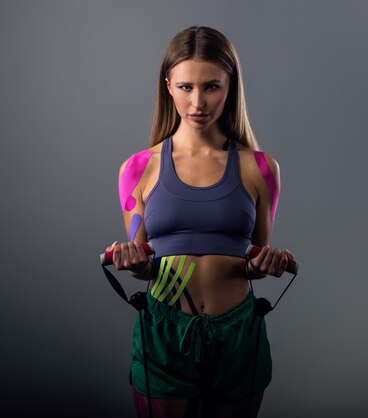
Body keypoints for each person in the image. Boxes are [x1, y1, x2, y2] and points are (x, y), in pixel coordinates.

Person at [105, 26, 296, 418]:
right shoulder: (138, 169)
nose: (198, 101)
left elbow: (251, 262)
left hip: (238, 329)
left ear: (231, 86)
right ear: (168, 86)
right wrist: (132, 261)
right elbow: (143, 268)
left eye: (211, 86)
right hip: (164, 329)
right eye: (186, 87)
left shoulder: (261, 169)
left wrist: (265, 264)